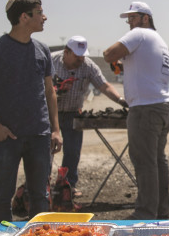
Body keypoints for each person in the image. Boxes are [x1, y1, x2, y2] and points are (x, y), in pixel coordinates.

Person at [0, 0, 62, 225]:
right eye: (40, 12)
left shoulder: (42, 50)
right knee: (2, 198)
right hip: (6, 137)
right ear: (24, 17)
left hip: (39, 136)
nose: (45, 17)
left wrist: (55, 129)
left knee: (40, 197)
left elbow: (50, 92)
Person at [103, 1, 169, 220]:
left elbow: (108, 53)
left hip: (145, 109)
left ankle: (145, 213)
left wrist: (115, 59)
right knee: (157, 161)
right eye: (129, 19)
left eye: (134, 18)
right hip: (163, 106)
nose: (130, 23)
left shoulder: (139, 34)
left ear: (146, 18)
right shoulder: (158, 39)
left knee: (145, 163)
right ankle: (161, 211)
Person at [52, 35, 127, 196]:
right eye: (77, 56)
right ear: (66, 52)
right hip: (51, 114)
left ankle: (68, 186)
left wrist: (121, 100)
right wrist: (56, 89)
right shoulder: (52, 61)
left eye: (82, 56)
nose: (80, 59)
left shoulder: (87, 66)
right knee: (46, 151)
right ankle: (43, 188)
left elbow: (104, 86)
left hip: (73, 113)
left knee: (72, 152)